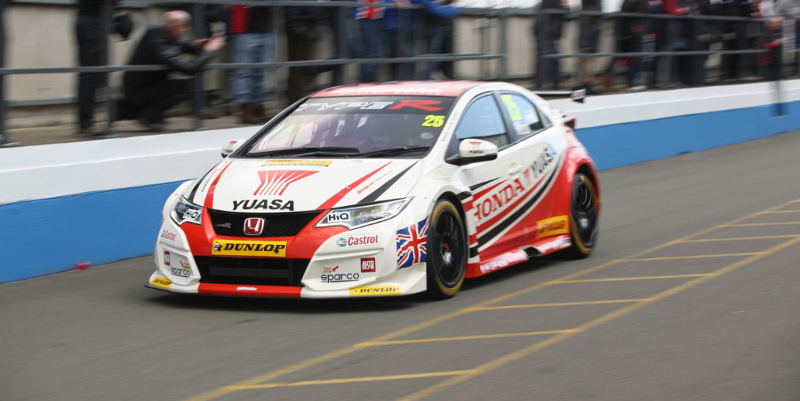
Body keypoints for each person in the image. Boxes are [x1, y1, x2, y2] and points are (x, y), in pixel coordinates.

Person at [120, 11, 225, 132]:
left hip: (141, 87)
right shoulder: (159, 45)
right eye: (185, 27)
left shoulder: (156, 31)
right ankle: (149, 115)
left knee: (183, 85)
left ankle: (145, 112)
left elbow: (176, 46)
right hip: (139, 91)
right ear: (176, 27)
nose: (186, 30)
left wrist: (193, 45)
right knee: (191, 86)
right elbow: (189, 68)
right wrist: (209, 51)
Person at [226, 3, 276, 124]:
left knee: (259, 73)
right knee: (244, 73)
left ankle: (258, 106)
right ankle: (245, 108)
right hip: (244, 29)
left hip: (264, 28)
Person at [75, 0, 118, 136]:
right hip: (92, 22)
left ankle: (87, 122)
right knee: (90, 74)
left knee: (93, 74)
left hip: (94, 21)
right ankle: (86, 124)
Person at [284, 1, 324, 103]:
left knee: (306, 67)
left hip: (310, 23)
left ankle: (304, 99)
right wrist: (294, 20)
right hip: (297, 24)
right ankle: (295, 102)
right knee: (297, 68)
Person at [535, 0, 569, 89]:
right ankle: (541, 86)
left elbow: (563, 12)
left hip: (550, 31)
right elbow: (548, 5)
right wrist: (562, 6)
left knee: (552, 59)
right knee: (544, 59)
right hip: (544, 29)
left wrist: (566, 7)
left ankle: (554, 84)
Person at [423, 0, 460, 79]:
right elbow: (436, 11)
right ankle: (428, 80)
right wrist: (453, 6)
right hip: (434, 27)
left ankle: (449, 78)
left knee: (448, 54)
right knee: (433, 56)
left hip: (446, 25)